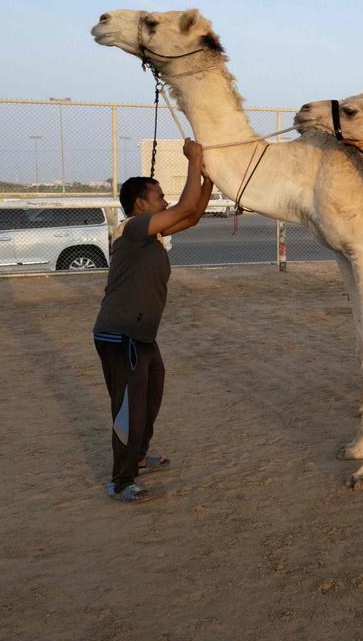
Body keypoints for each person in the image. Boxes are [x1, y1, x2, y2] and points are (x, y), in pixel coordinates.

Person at [93, 138, 213, 503]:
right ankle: (121, 480)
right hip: (119, 334)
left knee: (152, 394)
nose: (164, 201)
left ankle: (139, 456)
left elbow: (191, 215)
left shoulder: (152, 235)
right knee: (129, 406)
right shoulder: (131, 230)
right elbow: (185, 207)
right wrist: (194, 160)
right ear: (140, 204)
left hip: (141, 333)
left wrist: (209, 178)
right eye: (159, 196)